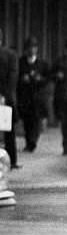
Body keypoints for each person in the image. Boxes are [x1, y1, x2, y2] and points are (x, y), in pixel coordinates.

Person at [17, 36, 50, 152]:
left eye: (34, 47)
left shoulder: (42, 64)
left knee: (36, 120)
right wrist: (23, 79)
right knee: (27, 120)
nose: (32, 50)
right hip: (25, 97)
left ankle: (32, 142)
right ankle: (28, 141)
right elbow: (16, 77)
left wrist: (39, 79)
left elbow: (47, 78)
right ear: (26, 49)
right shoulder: (21, 62)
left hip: (37, 97)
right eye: (30, 47)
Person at [0, 27, 19, 169]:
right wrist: (5, 96)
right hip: (6, 99)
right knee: (9, 131)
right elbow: (13, 78)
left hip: (4, 98)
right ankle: (11, 160)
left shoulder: (9, 55)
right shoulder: (11, 55)